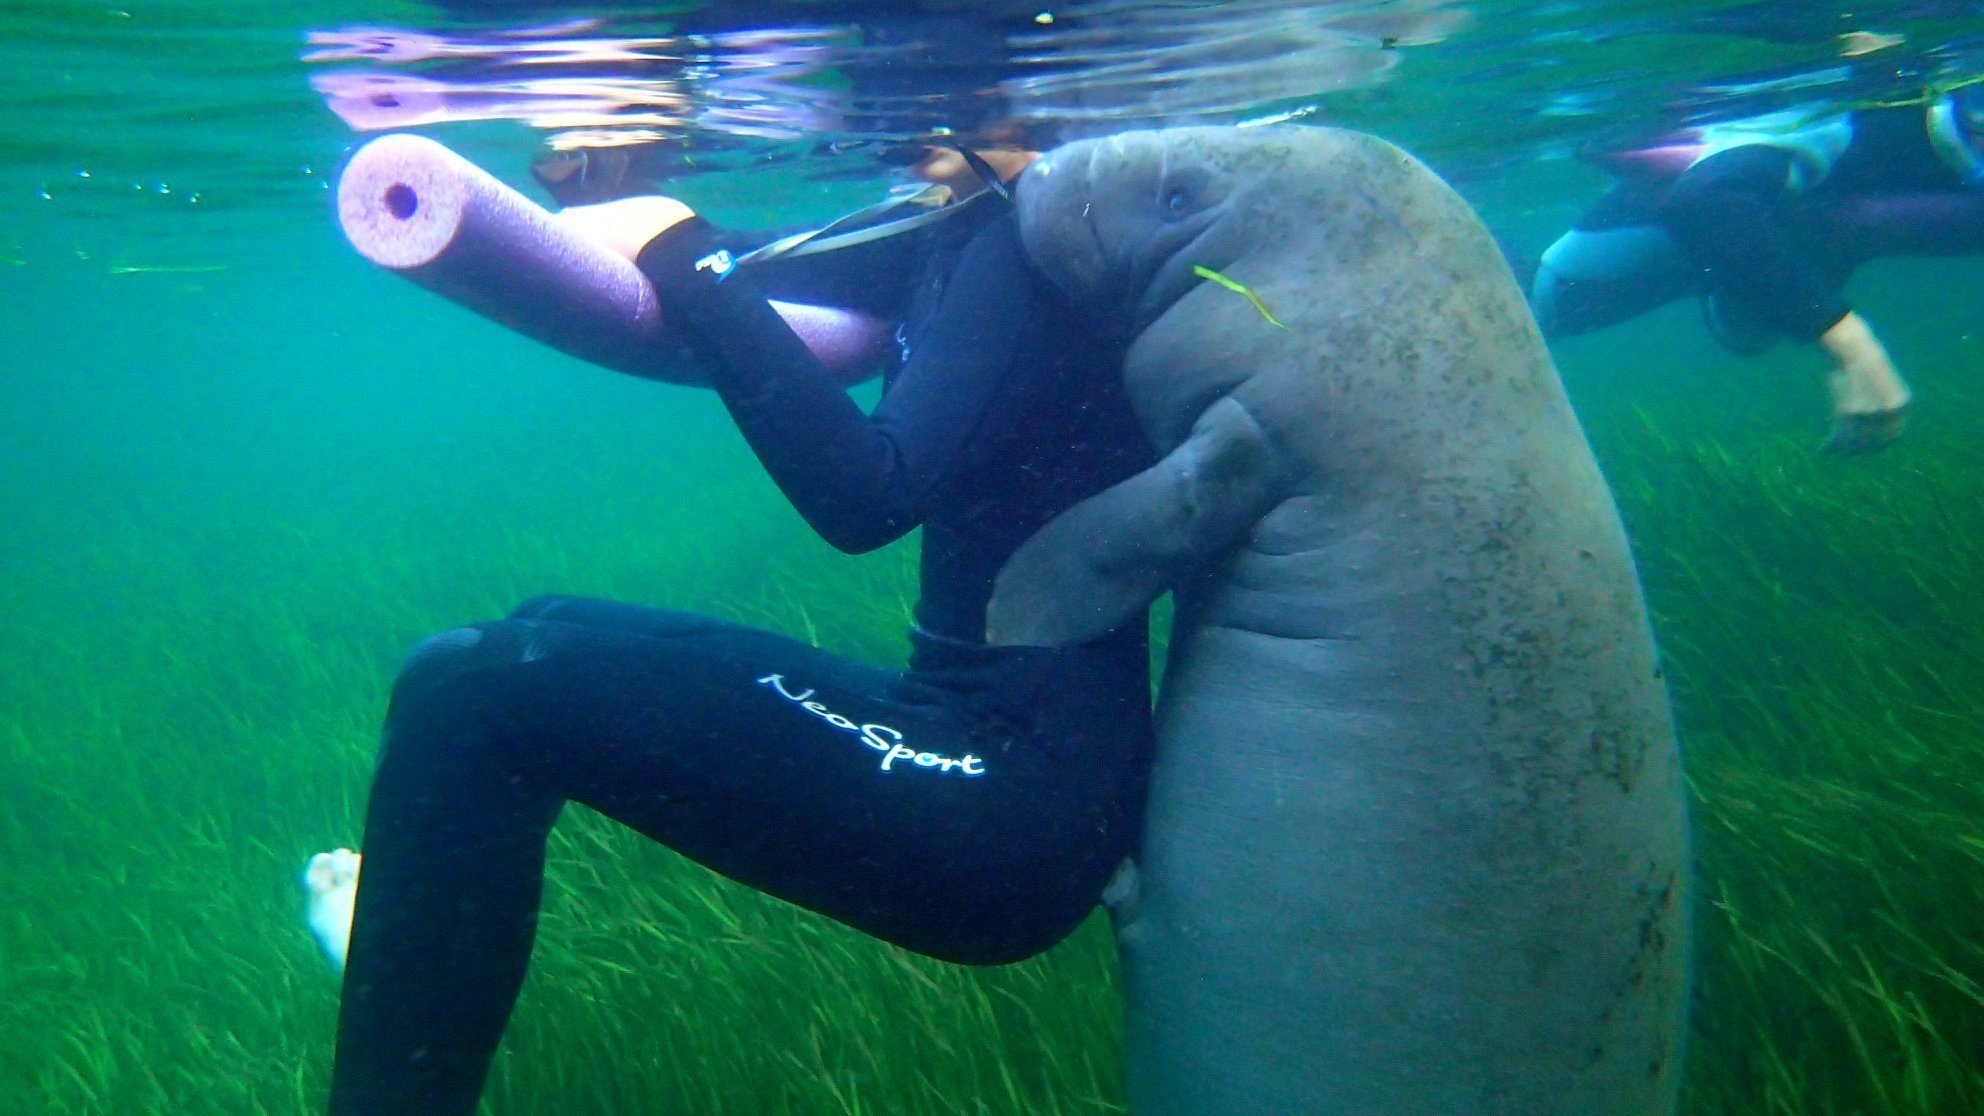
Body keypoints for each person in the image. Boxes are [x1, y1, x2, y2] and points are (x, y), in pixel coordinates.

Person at [318, 145, 1158, 1115]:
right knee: (543, 625)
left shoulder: (1031, 248)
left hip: (1014, 811)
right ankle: (415, 924)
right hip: (981, 742)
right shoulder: (960, 229)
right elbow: (757, 278)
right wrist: (623, 202)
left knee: (466, 690)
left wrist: (677, 244)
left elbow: (866, 495)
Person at [1529, 83, 1984, 454]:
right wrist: (1852, 346)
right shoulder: (1862, 116)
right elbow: (1704, 201)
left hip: (1698, 265)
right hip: (1548, 284)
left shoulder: (1953, 183)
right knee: (1523, 314)